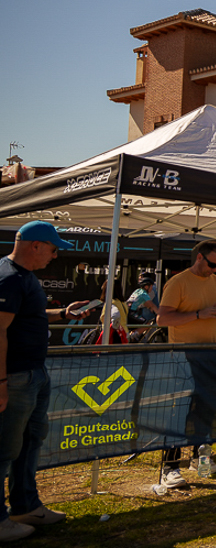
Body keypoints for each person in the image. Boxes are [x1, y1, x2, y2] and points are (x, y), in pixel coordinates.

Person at [0, 221, 92, 540]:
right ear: (36, 245)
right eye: (53, 250)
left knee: (30, 440)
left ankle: (25, 506)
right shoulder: (10, 278)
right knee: (4, 449)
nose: (55, 256)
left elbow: (30, 315)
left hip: (33, 373)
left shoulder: (23, 276)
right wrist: (1, 381)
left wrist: (63, 313)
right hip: (15, 376)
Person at [155, 241, 216, 489]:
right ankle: (169, 467)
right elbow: (162, 318)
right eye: (212, 264)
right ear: (199, 258)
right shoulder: (178, 282)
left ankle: (200, 459)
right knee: (179, 411)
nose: (215, 270)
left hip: (210, 354)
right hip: (183, 355)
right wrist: (199, 314)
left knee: (206, 408)